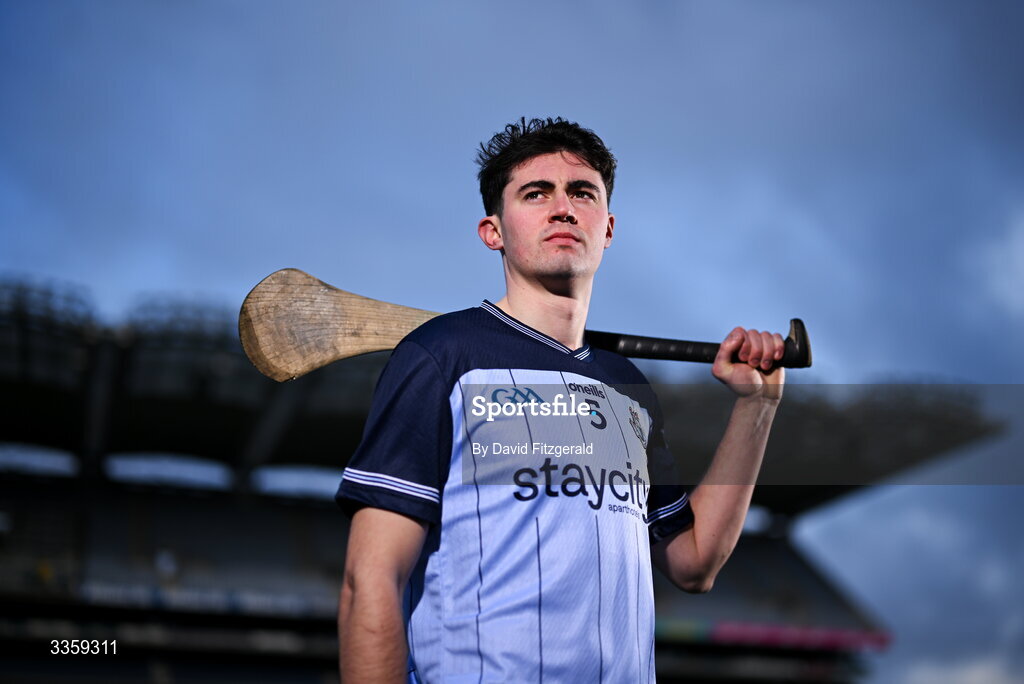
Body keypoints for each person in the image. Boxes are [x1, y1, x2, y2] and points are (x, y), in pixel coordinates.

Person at [335, 117, 786, 683]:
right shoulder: (440, 357)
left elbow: (693, 563)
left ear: (609, 227)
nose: (563, 207)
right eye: (535, 193)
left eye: (582, 193)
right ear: (492, 231)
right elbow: (369, 579)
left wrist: (756, 408)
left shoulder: (627, 386)